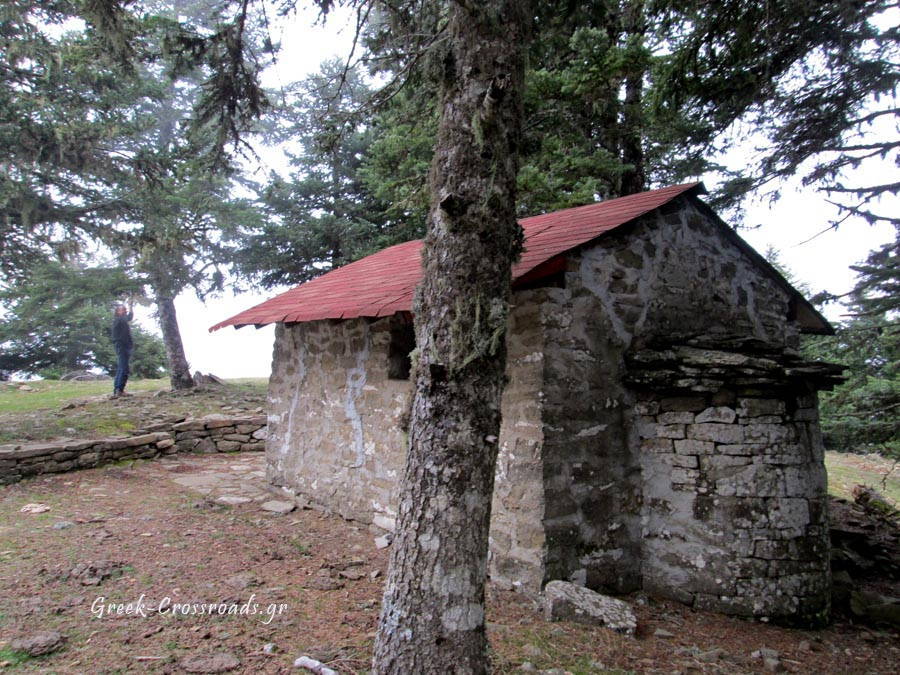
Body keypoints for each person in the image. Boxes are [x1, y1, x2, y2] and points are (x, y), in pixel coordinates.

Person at [111, 302, 133, 398]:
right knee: (124, 368)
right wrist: (124, 344)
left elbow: (129, 317)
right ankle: (119, 390)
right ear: (117, 312)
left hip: (122, 345)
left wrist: (131, 307)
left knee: (121, 367)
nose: (124, 311)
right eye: (122, 309)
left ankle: (117, 390)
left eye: (125, 309)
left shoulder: (121, 319)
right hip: (122, 346)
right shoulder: (119, 320)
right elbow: (127, 318)